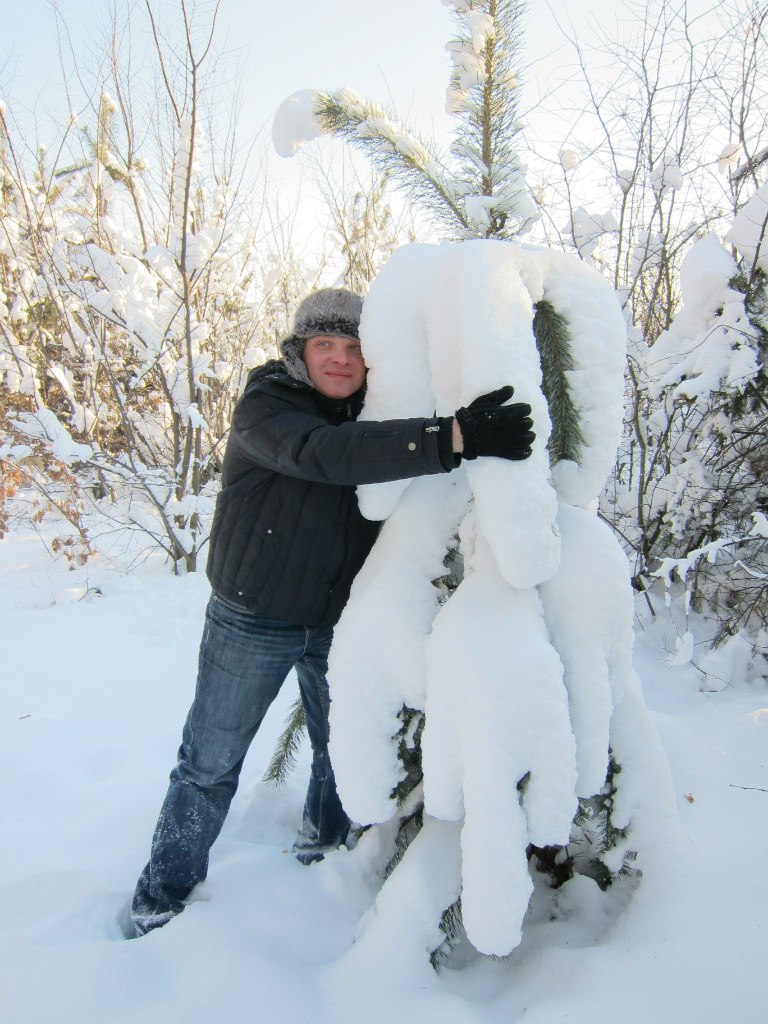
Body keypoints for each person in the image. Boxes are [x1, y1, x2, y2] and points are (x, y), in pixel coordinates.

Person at [130, 287, 535, 937]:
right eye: (326, 345)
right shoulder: (269, 404)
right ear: (300, 351)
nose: (340, 359)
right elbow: (320, 455)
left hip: (338, 617)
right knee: (209, 763)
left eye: (354, 347)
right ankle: (162, 893)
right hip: (252, 617)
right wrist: (454, 436)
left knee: (339, 748)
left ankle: (323, 853)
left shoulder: (378, 410)